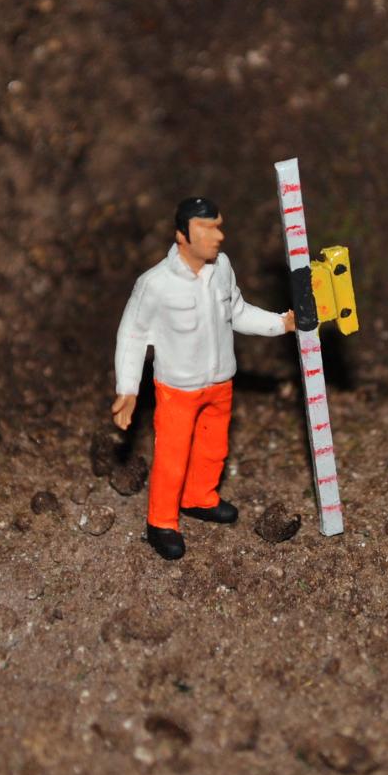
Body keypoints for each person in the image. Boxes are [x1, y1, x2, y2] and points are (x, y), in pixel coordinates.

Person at [113, 197, 294, 560]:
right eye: (207, 228)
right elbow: (132, 337)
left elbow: (238, 312)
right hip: (178, 389)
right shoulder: (155, 284)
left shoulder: (222, 269)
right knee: (173, 456)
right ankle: (162, 521)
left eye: (218, 226)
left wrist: (280, 323)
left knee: (214, 448)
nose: (218, 236)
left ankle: (199, 496)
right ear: (182, 235)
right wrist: (128, 389)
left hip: (220, 383)